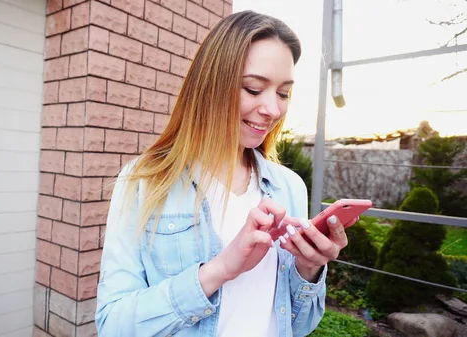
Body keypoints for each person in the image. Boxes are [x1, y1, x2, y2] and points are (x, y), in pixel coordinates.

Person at [95, 10, 355, 337]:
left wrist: (310, 268)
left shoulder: (290, 187)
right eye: (253, 88)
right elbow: (113, 324)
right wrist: (219, 270)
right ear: (210, 85)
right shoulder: (145, 181)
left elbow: (299, 326)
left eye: (283, 93)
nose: (273, 110)